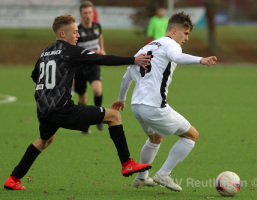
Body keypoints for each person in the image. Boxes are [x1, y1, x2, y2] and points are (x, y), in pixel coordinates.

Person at [3, 14, 152, 190]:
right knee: (114, 116)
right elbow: (101, 60)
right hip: (63, 110)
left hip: (43, 111)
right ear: (62, 34)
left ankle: (13, 179)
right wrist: (133, 60)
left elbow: (36, 76)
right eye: (74, 32)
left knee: (44, 141)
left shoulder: (46, 51)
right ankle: (127, 163)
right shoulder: (70, 51)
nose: (78, 35)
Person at [112, 12, 217, 192]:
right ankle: (164, 174)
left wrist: (121, 98)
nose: (186, 38)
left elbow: (126, 76)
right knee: (192, 135)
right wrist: (201, 59)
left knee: (155, 137)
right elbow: (177, 58)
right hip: (154, 106)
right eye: (185, 33)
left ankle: (142, 177)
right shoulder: (171, 45)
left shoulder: (146, 47)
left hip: (137, 106)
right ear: (174, 30)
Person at [75, 1, 106, 133]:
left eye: (90, 13)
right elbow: (74, 51)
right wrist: (88, 53)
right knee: (83, 99)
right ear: (81, 15)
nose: (88, 15)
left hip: (94, 66)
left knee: (97, 90)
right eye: (85, 13)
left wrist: (102, 49)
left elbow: (100, 37)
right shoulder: (77, 30)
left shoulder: (97, 26)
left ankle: (99, 118)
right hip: (81, 68)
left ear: (93, 13)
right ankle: (84, 124)